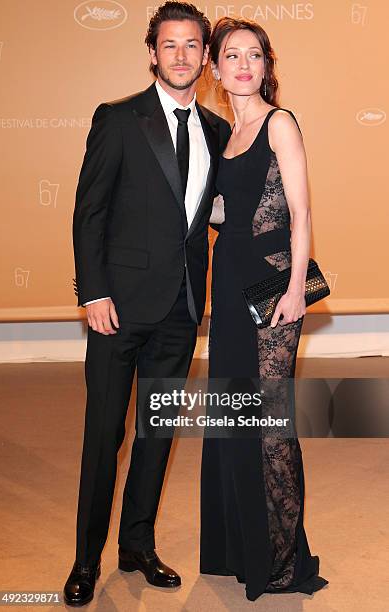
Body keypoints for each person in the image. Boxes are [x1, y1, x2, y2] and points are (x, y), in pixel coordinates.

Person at [63, 2, 231, 606]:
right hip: (118, 308)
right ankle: (86, 560)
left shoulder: (217, 130)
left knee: (157, 434)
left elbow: (206, 212)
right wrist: (95, 292)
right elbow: (90, 213)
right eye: (170, 45)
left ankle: (137, 546)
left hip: (181, 311)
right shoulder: (118, 119)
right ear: (152, 53)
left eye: (192, 46)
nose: (181, 56)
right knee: (104, 435)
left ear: (205, 58)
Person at [200, 16, 329, 601]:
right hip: (228, 289)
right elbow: (234, 212)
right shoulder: (224, 136)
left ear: (266, 65)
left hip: (274, 288)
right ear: (216, 67)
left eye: (255, 55)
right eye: (233, 55)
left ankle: (281, 559)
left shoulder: (281, 123)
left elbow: (300, 213)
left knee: (270, 425)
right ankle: (242, 547)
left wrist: (298, 288)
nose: (244, 64)